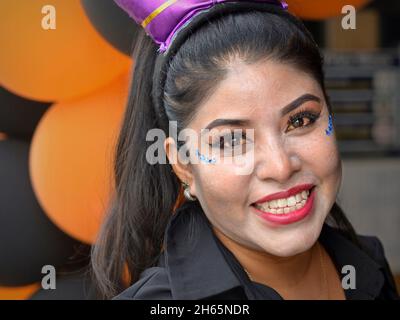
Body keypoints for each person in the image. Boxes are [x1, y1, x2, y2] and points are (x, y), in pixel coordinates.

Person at [91, 0, 399, 300]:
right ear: (184, 165)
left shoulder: (367, 265)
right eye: (231, 141)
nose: (280, 166)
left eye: (301, 120)